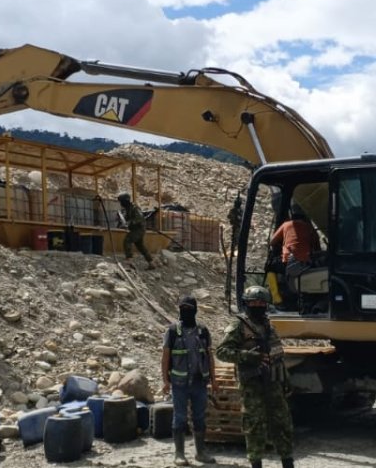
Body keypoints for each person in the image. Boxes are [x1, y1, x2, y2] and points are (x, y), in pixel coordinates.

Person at [215, 286, 294, 468]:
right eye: (253, 302)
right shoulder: (238, 326)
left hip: (274, 383)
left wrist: (286, 378)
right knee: (254, 427)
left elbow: (277, 355)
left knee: (283, 424)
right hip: (252, 386)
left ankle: (287, 462)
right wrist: (248, 356)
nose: (257, 305)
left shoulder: (269, 326)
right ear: (246, 304)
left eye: (261, 303)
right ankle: (256, 463)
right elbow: (221, 352)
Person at [161, 296, 217, 466]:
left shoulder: (203, 330)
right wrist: (165, 381)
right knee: (179, 418)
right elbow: (165, 358)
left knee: (199, 417)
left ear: (195, 310)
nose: (185, 311)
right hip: (179, 384)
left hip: (200, 383)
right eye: (182, 308)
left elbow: (209, 356)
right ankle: (179, 454)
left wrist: (214, 380)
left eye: (188, 308)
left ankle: (201, 453)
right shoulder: (172, 331)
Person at [269, 203, 320, 281]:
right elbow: (316, 244)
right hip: (306, 263)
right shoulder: (308, 227)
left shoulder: (286, 225)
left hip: (287, 261)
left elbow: (272, 242)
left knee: (270, 267)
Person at [117, 193, 156, 269]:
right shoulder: (128, 209)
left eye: (121, 201)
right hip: (135, 229)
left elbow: (139, 218)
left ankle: (129, 262)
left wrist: (129, 223)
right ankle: (151, 263)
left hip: (139, 229)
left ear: (125, 201)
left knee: (127, 240)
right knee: (140, 246)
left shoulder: (134, 208)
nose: (120, 203)